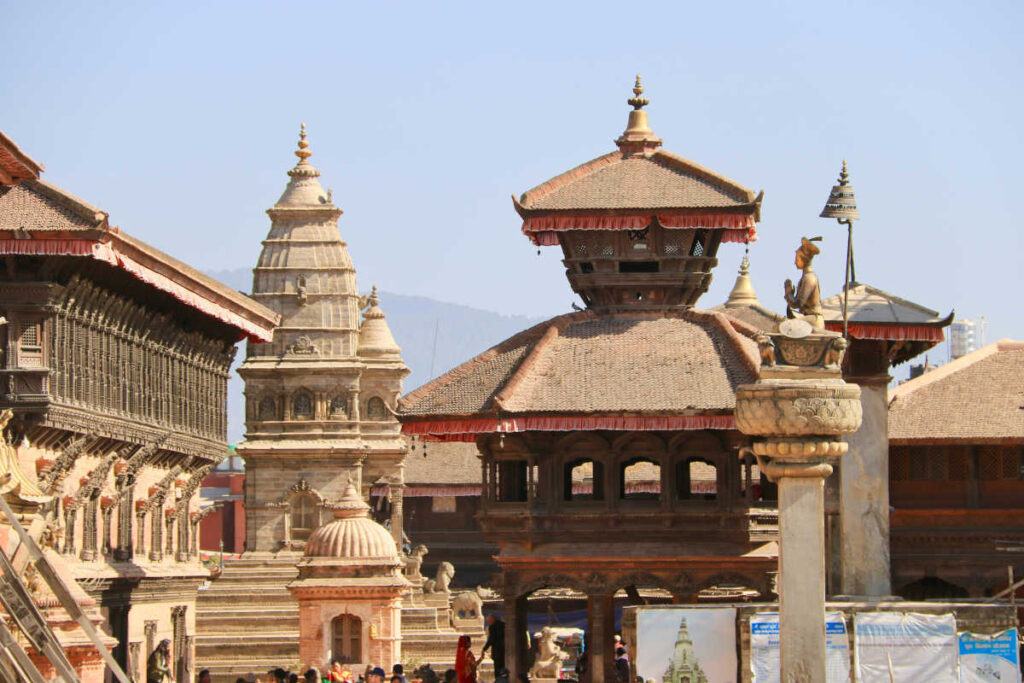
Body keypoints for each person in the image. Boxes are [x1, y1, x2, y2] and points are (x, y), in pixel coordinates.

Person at [783, 236, 824, 331]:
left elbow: (798, 303)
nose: (795, 262)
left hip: (813, 318)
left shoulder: (809, 278)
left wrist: (788, 294)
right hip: (806, 317)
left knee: (784, 326)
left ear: (804, 259)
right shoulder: (806, 277)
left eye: (797, 259)